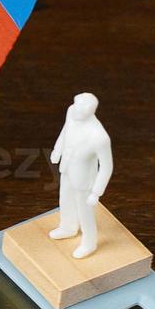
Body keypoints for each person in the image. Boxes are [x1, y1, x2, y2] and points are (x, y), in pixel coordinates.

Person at [49, 93, 113, 259]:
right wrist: (58, 149)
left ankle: (89, 242)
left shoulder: (99, 137)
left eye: (81, 109)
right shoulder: (71, 111)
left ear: (91, 111)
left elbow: (106, 166)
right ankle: (68, 227)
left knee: (85, 212)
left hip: (85, 180)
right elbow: (65, 131)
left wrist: (96, 193)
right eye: (76, 105)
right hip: (67, 168)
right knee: (65, 199)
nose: (76, 110)